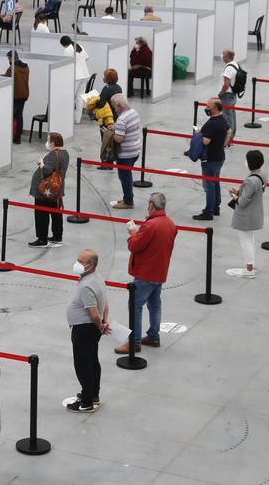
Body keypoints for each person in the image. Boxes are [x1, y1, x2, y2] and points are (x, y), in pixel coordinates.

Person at [115, 192, 177, 354]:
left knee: (135, 306)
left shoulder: (151, 225)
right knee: (155, 304)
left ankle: (134, 342)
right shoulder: (170, 224)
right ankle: (153, 336)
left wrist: (133, 234)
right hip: (160, 271)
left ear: (151, 205)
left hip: (145, 273)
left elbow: (134, 246)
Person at [66, 249, 109, 413]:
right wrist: (104, 322)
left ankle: (86, 402)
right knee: (92, 361)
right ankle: (93, 394)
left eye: (81, 262)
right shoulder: (97, 278)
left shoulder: (86, 285)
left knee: (83, 365)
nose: (77, 264)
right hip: (91, 329)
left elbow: (93, 312)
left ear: (90, 265)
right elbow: (105, 302)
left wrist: (100, 325)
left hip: (84, 329)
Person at [228, 150, 266, 279]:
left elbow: (243, 202)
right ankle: (252, 265)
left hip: (246, 215)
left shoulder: (251, 180)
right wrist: (240, 192)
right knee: (250, 239)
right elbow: (252, 193)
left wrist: (235, 196)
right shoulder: (262, 174)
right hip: (255, 213)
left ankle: (249, 269)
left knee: (245, 241)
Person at [28, 132, 69, 247]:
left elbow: (46, 171)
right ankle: (57, 236)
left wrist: (41, 163)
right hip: (57, 190)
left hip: (45, 191)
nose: (47, 143)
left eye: (49, 140)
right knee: (56, 213)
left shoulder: (52, 155)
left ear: (53, 142)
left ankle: (42, 239)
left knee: (41, 214)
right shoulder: (65, 153)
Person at [195, 98, 231, 221]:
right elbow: (229, 131)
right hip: (219, 156)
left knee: (209, 185)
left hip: (210, 159)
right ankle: (216, 207)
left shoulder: (212, 123)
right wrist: (223, 145)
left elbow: (206, 141)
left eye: (208, 106)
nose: (206, 108)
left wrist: (198, 135)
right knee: (215, 182)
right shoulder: (222, 120)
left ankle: (208, 211)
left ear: (215, 108)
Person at [109, 94, 141, 209]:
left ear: (119, 106)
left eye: (114, 107)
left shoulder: (122, 119)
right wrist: (116, 127)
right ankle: (127, 197)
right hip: (135, 150)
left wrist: (110, 134)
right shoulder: (133, 112)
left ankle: (128, 202)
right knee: (127, 175)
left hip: (125, 154)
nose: (114, 109)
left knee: (124, 177)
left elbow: (119, 138)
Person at [61, 36, 90, 123]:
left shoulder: (67, 50)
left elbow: (66, 63)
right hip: (84, 74)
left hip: (75, 76)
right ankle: (77, 119)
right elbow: (87, 57)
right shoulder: (79, 46)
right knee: (80, 98)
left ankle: (68, 118)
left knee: (71, 97)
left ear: (64, 44)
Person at [3, 51, 30, 143]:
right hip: (24, 95)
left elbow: (6, 80)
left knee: (9, 116)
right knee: (19, 116)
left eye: (8, 58)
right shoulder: (26, 67)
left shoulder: (12, 68)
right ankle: (17, 138)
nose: (8, 60)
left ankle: (6, 137)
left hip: (15, 96)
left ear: (11, 58)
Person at [219, 49, 240, 134]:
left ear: (226, 57)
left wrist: (221, 93)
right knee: (231, 116)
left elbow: (226, 84)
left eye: (223, 54)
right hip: (232, 95)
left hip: (227, 96)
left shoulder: (229, 68)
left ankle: (228, 139)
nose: (222, 56)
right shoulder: (235, 64)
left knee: (227, 117)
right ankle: (231, 137)